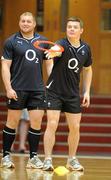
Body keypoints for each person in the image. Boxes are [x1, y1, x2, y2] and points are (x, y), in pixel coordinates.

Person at [0, 12, 52, 169]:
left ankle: (33, 158)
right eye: (23, 21)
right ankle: (6, 156)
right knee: (12, 122)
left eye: (29, 21)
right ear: (19, 22)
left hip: (37, 89)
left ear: (34, 24)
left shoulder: (43, 41)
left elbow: (49, 64)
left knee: (36, 123)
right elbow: (5, 66)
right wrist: (8, 88)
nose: (25, 23)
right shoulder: (11, 41)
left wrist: (50, 84)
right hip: (18, 89)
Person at [43, 17, 93, 171]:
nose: (71, 29)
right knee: (52, 124)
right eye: (69, 26)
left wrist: (86, 91)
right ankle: (47, 159)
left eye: (75, 27)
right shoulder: (61, 44)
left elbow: (88, 69)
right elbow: (53, 53)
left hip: (72, 93)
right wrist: (51, 54)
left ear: (81, 30)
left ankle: (71, 159)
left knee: (75, 127)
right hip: (54, 91)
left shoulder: (86, 48)